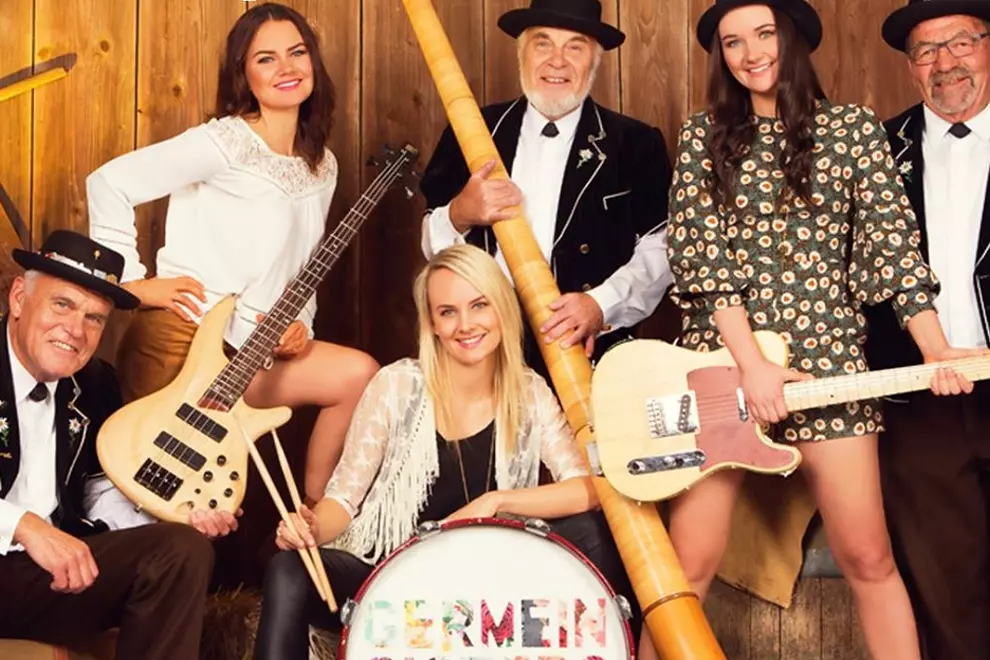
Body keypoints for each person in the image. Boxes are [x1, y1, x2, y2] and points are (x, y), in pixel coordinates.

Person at [664, 1, 984, 658]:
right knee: (683, 571)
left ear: (795, 39)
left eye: (764, 34)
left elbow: (890, 252)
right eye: (732, 42)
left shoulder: (852, 130)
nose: (751, 53)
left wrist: (937, 351)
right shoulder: (701, 137)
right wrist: (752, 367)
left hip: (831, 368)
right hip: (724, 370)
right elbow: (702, 260)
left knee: (870, 558)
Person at [251, 244, 642, 659]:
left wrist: (495, 502)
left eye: (479, 305)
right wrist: (309, 530)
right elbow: (344, 500)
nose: (465, 324)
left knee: (598, 532)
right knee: (288, 567)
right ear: (432, 324)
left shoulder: (530, 393)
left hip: (487, 583)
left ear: (501, 310)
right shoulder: (396, 385)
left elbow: (590, 489)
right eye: (448, 311)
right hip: (391, 578)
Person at [86, 2, 378, 505]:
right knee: (166, 497)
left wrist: (299, 325)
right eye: (265, 59)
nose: (286, 68)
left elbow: (300, 269)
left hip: (252, 350)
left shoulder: (321, 165)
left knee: (359, 374)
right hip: (184, 340)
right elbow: (108, 182)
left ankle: (317, 514)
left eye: (297, 52)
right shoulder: (225, 141)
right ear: (243, 74)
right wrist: (132, 284)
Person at [419, 0, 673, 384]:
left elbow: (661, 248)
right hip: (482, 350)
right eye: (543, 44)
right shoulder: (472, 129)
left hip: (586, 355)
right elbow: (431, 244)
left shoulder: (635, 143)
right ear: (522, 55)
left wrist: (599, 305)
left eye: (574, 46)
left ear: (595, 60)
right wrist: (459, 213)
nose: (558, 61)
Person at [0, 230, 217, 659]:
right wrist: (25, 525)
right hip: (19, 546)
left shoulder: (96, 382)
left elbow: (99, 491)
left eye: (94, 318)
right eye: (62, 304)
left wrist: (174, 517)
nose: (75, 330)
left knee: (181, 550)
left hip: (48, 577)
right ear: (20, 298)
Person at [867, 2, 990, 658]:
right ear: (911, 69)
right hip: (918, 398)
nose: (946, 64)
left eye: (961, 43)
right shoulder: (879, 150)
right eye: (926, 51)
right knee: (944, 588)